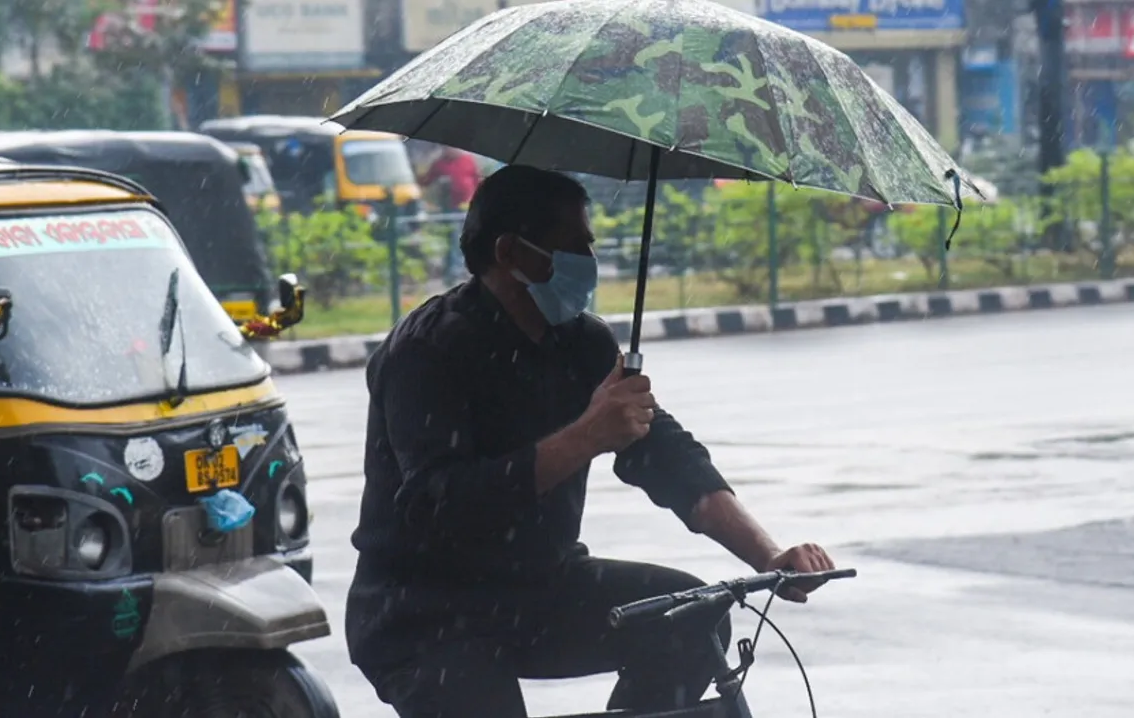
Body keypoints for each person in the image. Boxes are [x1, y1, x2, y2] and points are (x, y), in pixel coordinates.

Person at [346, 165, 837, 718]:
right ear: (511, 252)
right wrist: (584, 437)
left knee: (693, 619)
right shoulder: (426, 352)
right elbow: (439, 504)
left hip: (539, 589)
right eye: (574, 247)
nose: (590, 264)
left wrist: (769, 555)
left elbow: (667, 456)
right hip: (424, 612)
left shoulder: (582, 342)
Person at [418, 145, 483, 210]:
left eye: (453, 148)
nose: (451, 150)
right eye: (447, 148)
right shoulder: (439, 163)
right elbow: (427, 180)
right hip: (448, 204)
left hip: (467, 202)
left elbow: (477, 179)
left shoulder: (469, 160)